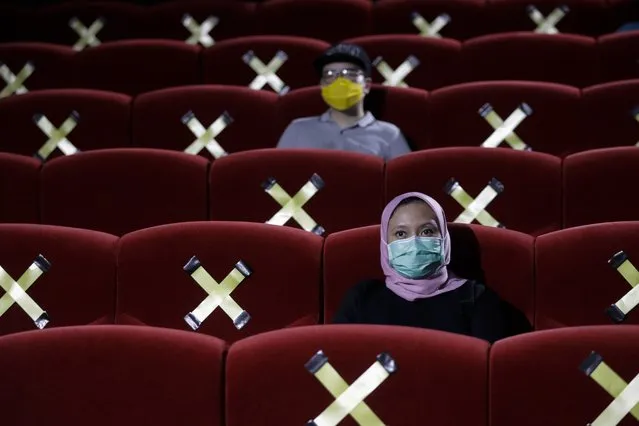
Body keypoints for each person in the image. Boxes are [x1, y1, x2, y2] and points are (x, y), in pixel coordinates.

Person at [333, 192, 530, 343]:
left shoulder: (475, 298)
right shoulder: (363, 297)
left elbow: (487, 370)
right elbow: (340, 355)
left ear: (443, 239)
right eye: (401, 234)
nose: (415, 242)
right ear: (385, 242)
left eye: (427, 231)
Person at [276, 43, 412, 161]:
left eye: (349, 73)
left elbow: (405, 185)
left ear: (367, 85)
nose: (339, 81)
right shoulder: (297, 129)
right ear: (322, 85)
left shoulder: (390, 134)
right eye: (329, 74)